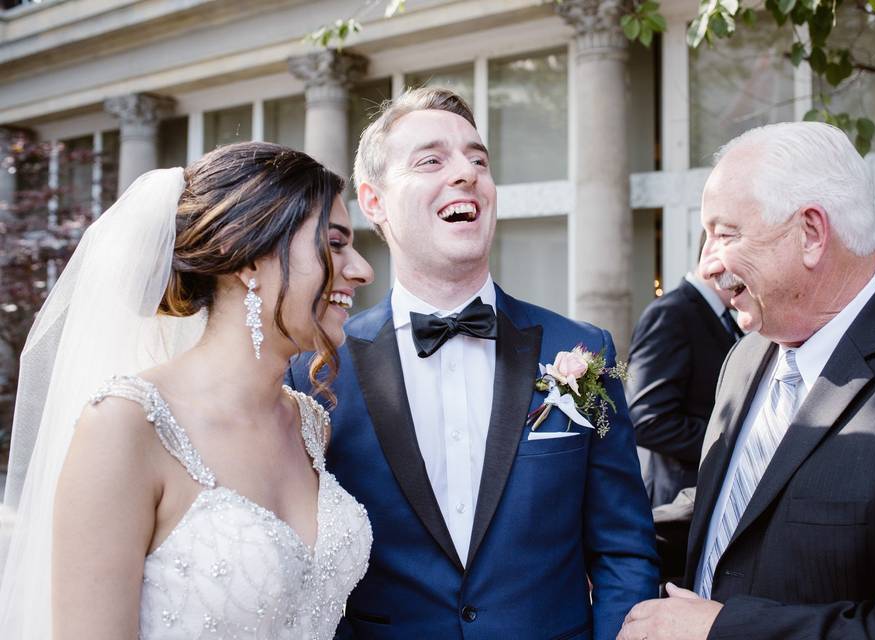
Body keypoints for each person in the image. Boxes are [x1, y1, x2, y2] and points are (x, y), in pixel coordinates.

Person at [287, 87, 659, 639]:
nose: (466, 173)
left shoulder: (585, 353)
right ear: (374, 202)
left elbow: (624, 549)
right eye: (431, 160)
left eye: (478, 159)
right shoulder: (313, 371)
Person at [0, 142, 375, 639]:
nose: (362, 270)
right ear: (250, 260)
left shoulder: (310, 425)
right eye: (333, 243)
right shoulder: (127, 425)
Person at [618, 121, 875, 640]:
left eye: (725, 234)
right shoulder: (746, 357)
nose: (708, 265)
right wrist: (594, 542)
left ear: (811, 234)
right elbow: (731, 507)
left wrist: (721, 629)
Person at [626, 235, 739, 583]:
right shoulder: (671, 313)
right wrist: (734, 444)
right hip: (678, 505)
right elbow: (647, 420)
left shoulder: (726, 319)